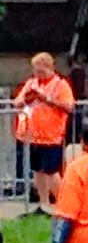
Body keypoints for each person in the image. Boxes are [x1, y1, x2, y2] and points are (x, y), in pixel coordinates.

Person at [12, 53, 76, 213]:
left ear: (50, 68)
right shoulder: (31, 83)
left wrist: (46, 98)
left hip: (52, 135)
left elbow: (69, 106)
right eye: (35, 71)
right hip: (33, 134)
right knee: (38, 171)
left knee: (52, 172)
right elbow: (17, 102)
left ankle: (66, 204)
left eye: (41, 71)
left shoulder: (60, 84)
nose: (37, 74)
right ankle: (44, 204)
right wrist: (26, 98)